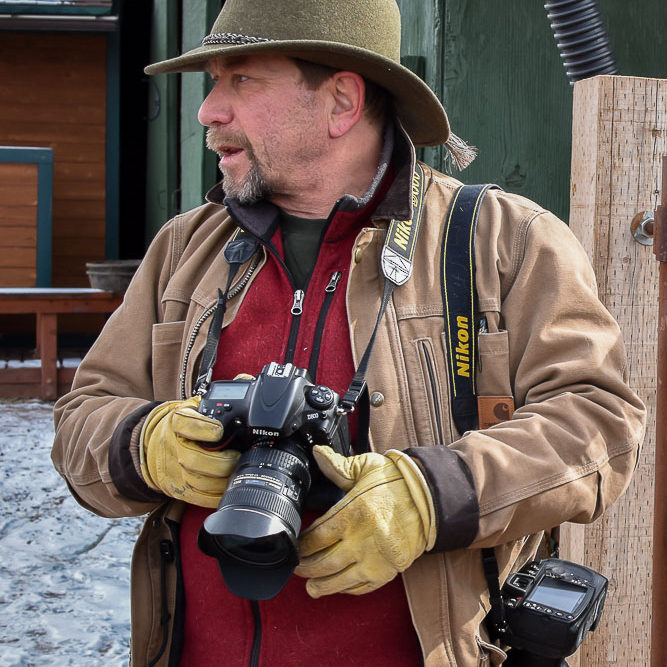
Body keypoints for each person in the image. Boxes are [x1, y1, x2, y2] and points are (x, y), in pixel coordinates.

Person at [52, 0, 645, 665]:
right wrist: (145, 442)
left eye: (240, 80)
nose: (207, 110)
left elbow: (599, 424)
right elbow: (81, 418)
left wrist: (430, 493)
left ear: (340, 100)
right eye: (211, 82)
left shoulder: (503, 241)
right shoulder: (184, 249)